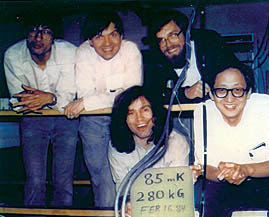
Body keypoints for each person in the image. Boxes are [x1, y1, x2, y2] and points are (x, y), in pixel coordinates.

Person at [64, 10, 143, 208]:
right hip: (93, 121)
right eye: (99, 36)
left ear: (122, 36)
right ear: (90, 41)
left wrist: (86, 102)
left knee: (126, 173)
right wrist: (89, 101)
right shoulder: (82, 52)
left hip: (125, 118)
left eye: (113, 34)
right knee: (101, 178)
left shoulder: (131, 50)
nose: (107, 43)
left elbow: (130, 94)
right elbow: (84, 92)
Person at [4, 11, 79, 208]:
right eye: (32, 31)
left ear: (54, 37)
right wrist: (50, 98)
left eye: (45, 31)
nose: (38, 38)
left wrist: (49, 98)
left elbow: (67, 97)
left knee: (63, 180)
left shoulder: (68, 52)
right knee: (35, 180)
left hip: (66, 117)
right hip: (32, 118)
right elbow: (20, 101)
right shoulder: (13, 55)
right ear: (25, 34)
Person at [194, 62, 269, 217]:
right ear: (212, 94)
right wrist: (225, 174)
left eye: (237, 90)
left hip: (264, 179)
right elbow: (206, 167)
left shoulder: (265, 107)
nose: (229, 98)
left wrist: (246, 170)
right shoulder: (203, 112)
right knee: (201, 195)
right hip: (224, 183)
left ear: (248, 93)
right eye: (221, 90)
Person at [108, 86, 191, 217]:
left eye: (145, 110)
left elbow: (176, 190)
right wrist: (128, 204)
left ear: (155, 112)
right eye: (131, 113)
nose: (139, 119)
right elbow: (123, 189)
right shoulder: (117, 146)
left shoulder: (176, 141)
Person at [144, 9, 238, 104]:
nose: (168, 44)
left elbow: (240, 73)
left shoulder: (210, 43)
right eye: (161, 40)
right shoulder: (156, 61)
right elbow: (152, 95)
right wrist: (186, 93)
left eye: (173, 35)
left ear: (186, 33)